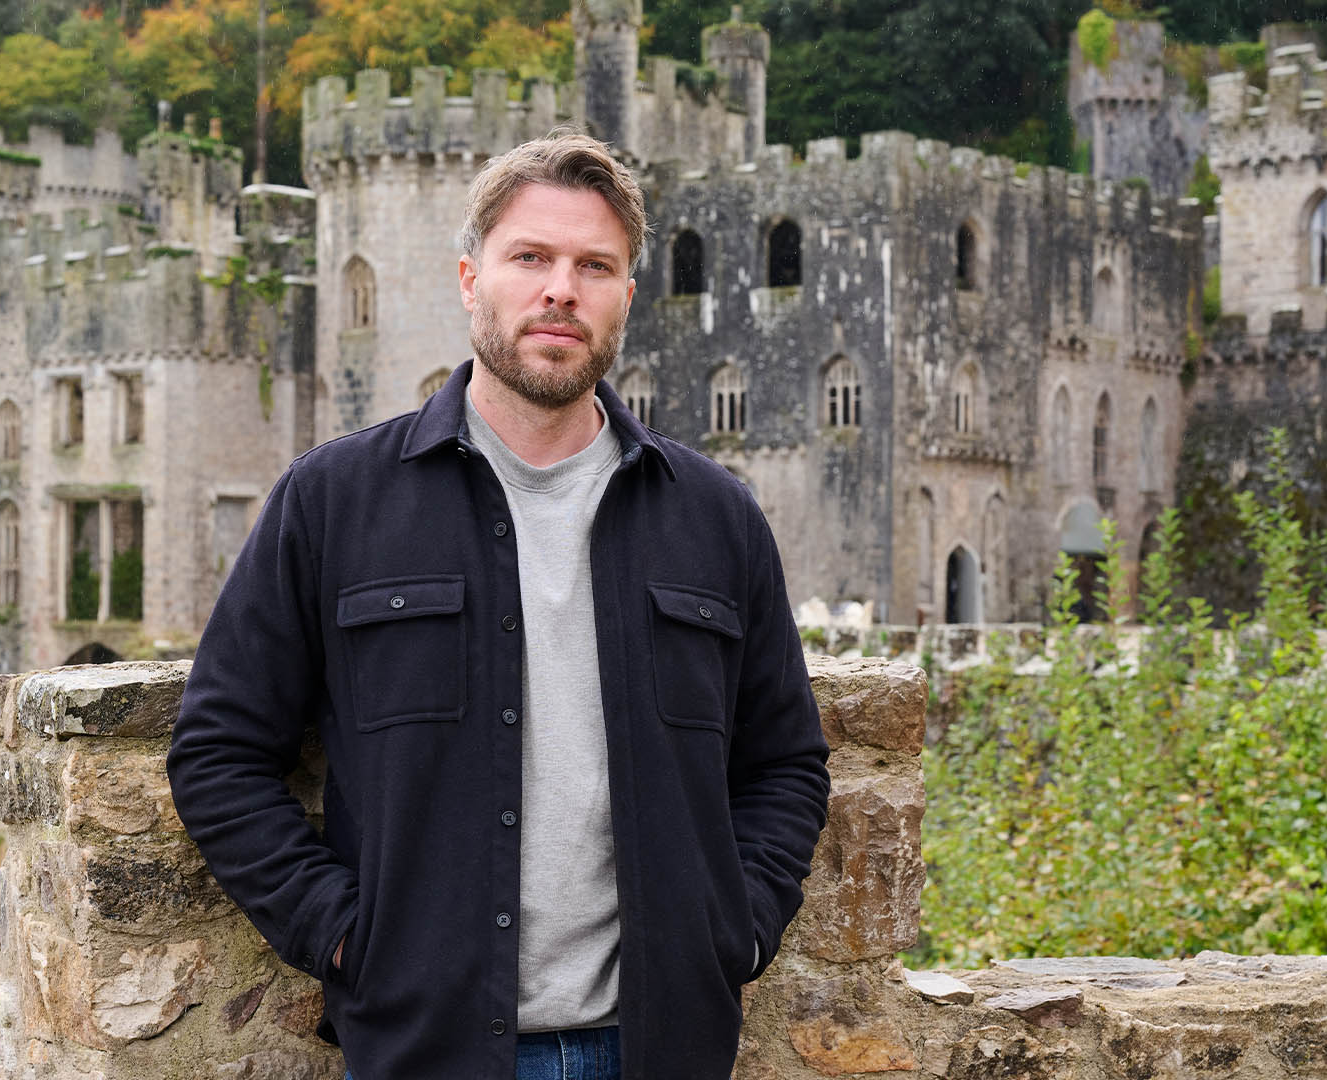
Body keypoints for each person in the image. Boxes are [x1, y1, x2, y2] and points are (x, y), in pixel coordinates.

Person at [167, 131, 830, 1080]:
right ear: (472, 277)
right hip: (424, 1048)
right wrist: (351, 939)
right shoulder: (335, 501)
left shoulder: (715, 517)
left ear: (625, 297)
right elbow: (217, 753)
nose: (562, 289)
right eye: (532, 258)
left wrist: (740, 929)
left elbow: (785, 763)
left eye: (594, 266)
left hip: (659, 1048)